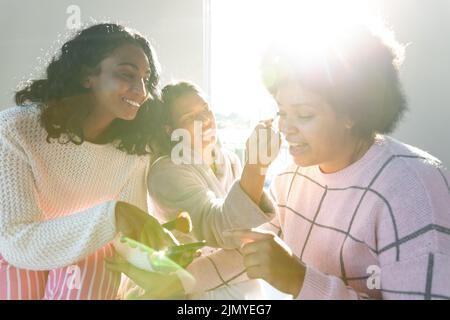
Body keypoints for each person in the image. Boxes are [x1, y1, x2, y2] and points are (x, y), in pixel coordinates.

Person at [232, 24, 450, 299]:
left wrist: (300, 280)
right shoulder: (291, 179)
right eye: (282, 112)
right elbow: (240, 250)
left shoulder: (413, 187)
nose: (285, 127)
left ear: (352, 113)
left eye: (304, 115)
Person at [0, 23, 179, 300]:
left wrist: (165, 263)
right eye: (126, 74)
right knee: (22, 270)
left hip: (84, 271)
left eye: (146, 78)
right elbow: (15, 241)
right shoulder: (15, 130)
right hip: (15, 258)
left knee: (95, 255)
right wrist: (113, 214)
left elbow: (127, 240)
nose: (141, 91)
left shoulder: (133, 150)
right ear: (86, 76)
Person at [109, 81, 281, 299]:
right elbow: (222, 229)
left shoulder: (228, 160)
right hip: (196, 292)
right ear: (170, 130)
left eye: (205, 109)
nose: (205, 121)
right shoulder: (166, 173)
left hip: (243, 288)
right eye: (189, 118)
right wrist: (256, 166)